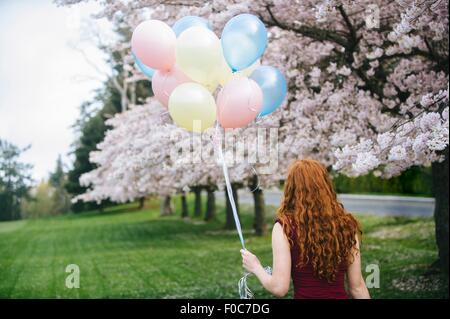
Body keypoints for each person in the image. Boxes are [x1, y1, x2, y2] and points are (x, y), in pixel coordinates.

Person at [241, 159, 370, 299]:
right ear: (325, 186)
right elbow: (357, 288)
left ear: (291, 188)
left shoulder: (285, 227)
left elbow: (279, 288)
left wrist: (256, 267)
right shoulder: (347, 226)